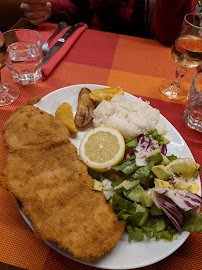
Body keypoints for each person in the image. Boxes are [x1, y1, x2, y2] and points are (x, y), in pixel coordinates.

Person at [20, 0, 198, 44]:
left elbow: (170, 35)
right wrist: (49, 8)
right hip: (94, 42)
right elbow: (80, 6)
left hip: (149, 48)